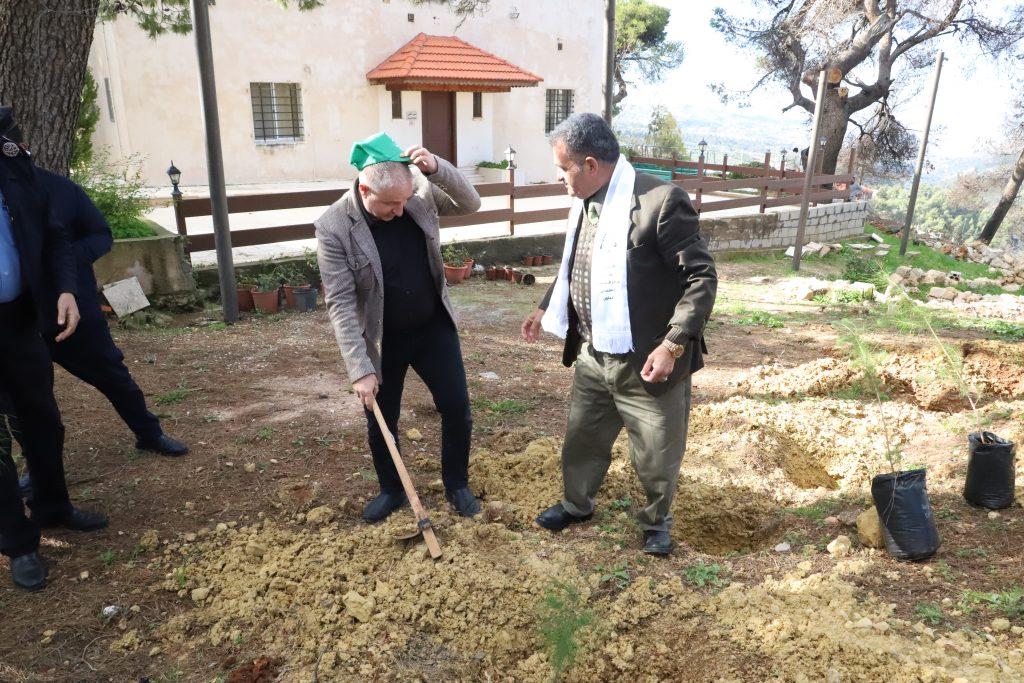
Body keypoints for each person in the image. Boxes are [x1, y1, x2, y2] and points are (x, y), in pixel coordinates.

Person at [521, 113, 718, 556]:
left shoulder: (660, 202)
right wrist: (546, 305)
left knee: (656, 451)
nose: (559, 178)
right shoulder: (586, 202)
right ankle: (577, 505)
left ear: (590, 165)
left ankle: (655, 522)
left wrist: (672, 344)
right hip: (594, 353)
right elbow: (580, 263)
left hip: (649, 357)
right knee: (583, 438)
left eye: (563, 168)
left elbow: (701, 278)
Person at [316, 132, 482, 522]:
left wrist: (437, 168)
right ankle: (391, 489)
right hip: (381, 339)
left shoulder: (418, 195)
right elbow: (340, 304)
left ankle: (456, 484)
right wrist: (359, 368)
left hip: (431, 328)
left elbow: (470, 203)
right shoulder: (334, 227)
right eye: (391, 203)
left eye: (404, 200)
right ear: (365, 189)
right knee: (382, 418)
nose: (400, 209)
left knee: (456, 407)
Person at [7, 169, 189, 500]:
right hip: (19, 320)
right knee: (28, 400)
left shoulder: (60, 189)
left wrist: (58, 260)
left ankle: (149, 432)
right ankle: (37, 469)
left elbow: (101, 235)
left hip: (75, 308)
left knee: (112, 373)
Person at [0, 106, 108, 591]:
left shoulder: (13, 166)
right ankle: (18, 543)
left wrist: (65, 288)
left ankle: (52, 505)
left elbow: (55, 236)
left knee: (42, 420)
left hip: (20, 319)